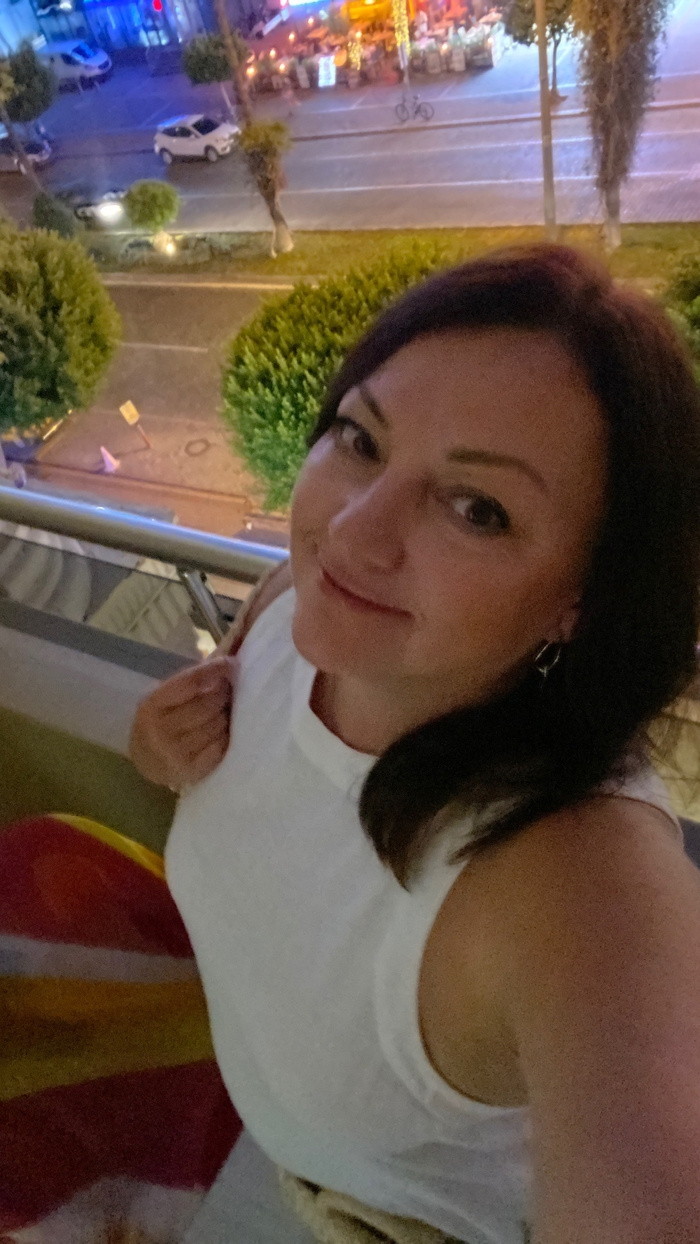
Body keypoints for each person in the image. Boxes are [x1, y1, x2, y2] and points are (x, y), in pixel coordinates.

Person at [130, 246, 700, 1244]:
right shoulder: (292, 608)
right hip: (264, 1155)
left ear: (582, 597)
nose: (353, 533)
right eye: (360, 438)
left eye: (477, 509)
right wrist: (157, 745)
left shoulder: (580, 880)